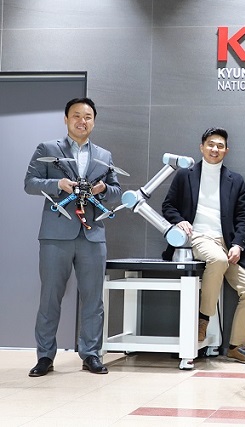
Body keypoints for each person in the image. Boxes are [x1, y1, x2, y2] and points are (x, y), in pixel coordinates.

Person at [24, 97, 122, 376]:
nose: (82, 121)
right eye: (76, 115)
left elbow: (116, 191)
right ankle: (45, 356)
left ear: (94, 121)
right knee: (50, 298)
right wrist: (58, 184)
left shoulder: (104, 155)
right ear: (66, 119)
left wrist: (103, 190)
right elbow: (30, 183)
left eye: (88, 117)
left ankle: (90, 354)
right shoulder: (47, 149)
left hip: (93, 235)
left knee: (93, 299)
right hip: (56, 234)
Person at [162, 127, 245, 363]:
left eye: (220, 146)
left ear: (226, 150)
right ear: (202, 147)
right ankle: (203, 320)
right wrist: (179, 221)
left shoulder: (235, 180)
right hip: (198, 238)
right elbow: (168, 206)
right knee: (216, 259)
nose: (214, 149)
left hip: (227, 243)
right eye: (210, 144)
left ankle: (236, 346)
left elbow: (243, 217)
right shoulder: (185, 175)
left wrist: (237, 245)